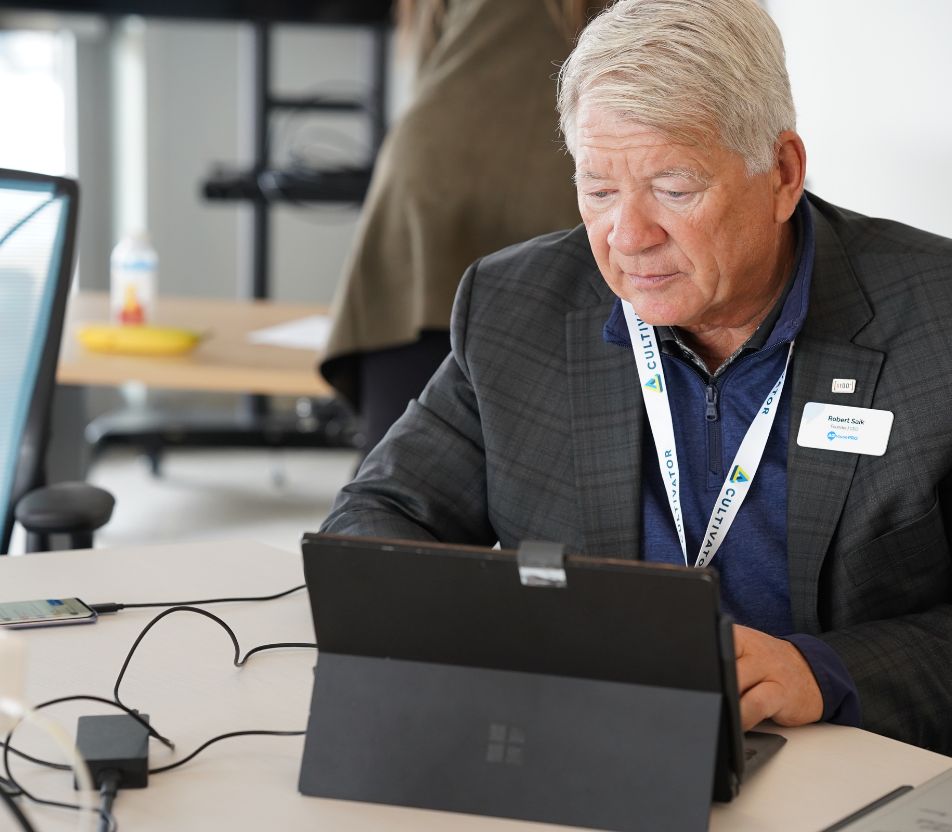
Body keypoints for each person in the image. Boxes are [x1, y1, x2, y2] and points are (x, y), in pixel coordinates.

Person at [321, 0, 952, 755]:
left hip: (849, 761)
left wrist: (826, 671)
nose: (628, 237)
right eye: (598, 189)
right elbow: (377, 519)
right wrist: (496, 643)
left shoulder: (935, 322)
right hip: (587, 748)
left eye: (674, 188)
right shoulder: (517, 307)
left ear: (782, 173)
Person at [320, 0, 610, 454]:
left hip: (429, 169)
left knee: (402, 453)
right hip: (561, 172)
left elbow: (428, 60)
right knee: (552, 450)